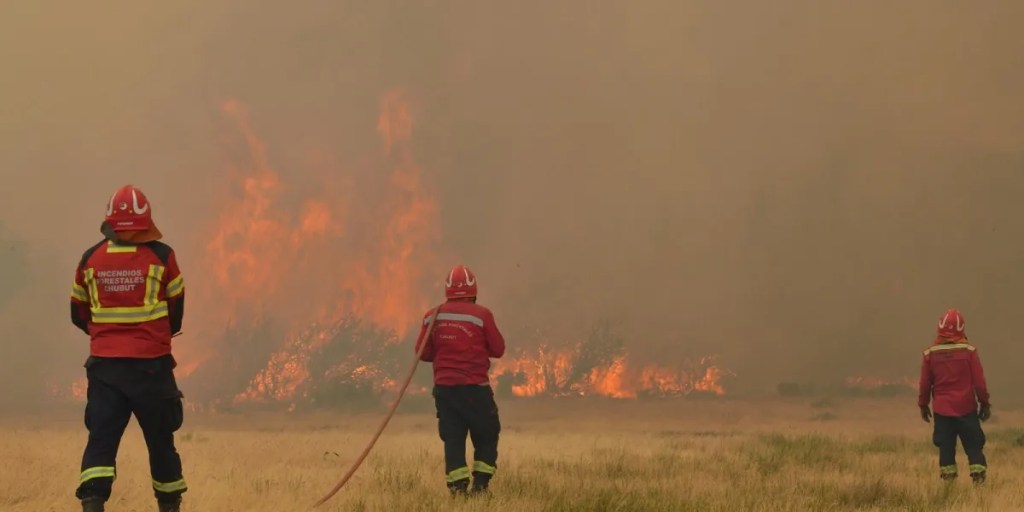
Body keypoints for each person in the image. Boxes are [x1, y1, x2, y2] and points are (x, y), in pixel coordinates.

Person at [70, 185, 188, 512]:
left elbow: (78, 313)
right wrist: (155, 336)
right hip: (152, 367)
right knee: (161, 443)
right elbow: (176, 310)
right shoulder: (162, 256)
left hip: (105, 369)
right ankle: (169, 505)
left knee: (101, 442)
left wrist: (107, 336)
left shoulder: (90, 258)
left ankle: (93, 504)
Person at [415, 264, 506, 496]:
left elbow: (422, 353)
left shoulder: (431, 316)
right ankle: (481, 486)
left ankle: (457, 489)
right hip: (474, 390)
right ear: (473, 290)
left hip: (445, 390)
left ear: (447, 290)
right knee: (486, 434)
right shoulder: (482, 315)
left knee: (453, 439)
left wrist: (446, 350)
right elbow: (498, 349)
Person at [918, 308, 991, 484]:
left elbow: (925, 383)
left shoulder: (930, 353)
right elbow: (979, 382)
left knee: (946, 448)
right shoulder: (969, 351)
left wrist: (923, 405)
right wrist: (985, 403)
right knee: (974, 446)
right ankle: (979, 483)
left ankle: (949, 487)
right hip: (966, 408)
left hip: (942, 411)